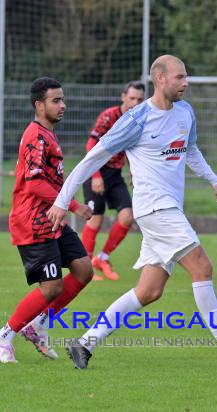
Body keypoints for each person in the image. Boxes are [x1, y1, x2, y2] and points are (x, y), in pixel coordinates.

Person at [47, 55, 217, 370]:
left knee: (149, 291)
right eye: (180, 77)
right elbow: (92, 159)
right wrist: (61, 200)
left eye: (186, 77)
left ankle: (84, 344)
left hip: (165, 210)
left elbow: (190, 150)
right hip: (155, 208)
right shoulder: (137, 120)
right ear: (160, 79)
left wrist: (214, 179)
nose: (186, 83)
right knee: (202, 268)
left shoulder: (185, 112)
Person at [0, 77, 94, 363]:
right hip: (33, 221)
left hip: (51, 218)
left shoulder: (48, 134)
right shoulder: (35, 136)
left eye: (62, 99)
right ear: (39, 104)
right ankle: (3, 335)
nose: (63, 105)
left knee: (83, 270)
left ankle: (38, 325)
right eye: (55, 100)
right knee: (52, 288)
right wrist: (73, 205)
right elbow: (34, 185)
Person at [82, 81, 145, 281]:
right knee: (95, 219)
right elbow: (91, 143)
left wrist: (135, 172)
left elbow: (132, 149)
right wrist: (96, 176)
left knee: (127, 216)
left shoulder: (138, 120)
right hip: (97, 171)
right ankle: (85, 268)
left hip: (115, 175)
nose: (135, 103)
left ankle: (102, 258)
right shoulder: (109, 116)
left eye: (140, 99)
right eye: (132, 98)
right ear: (123, 97)